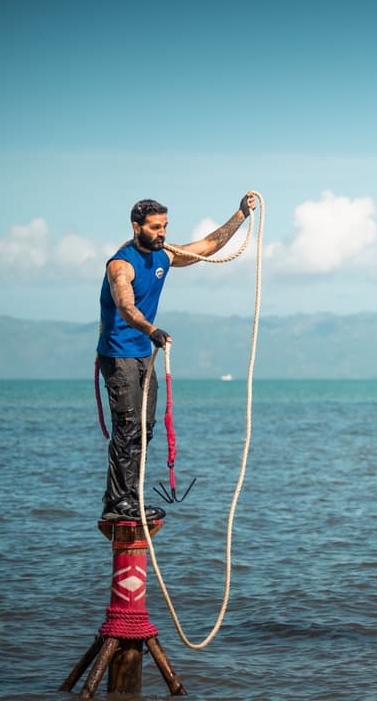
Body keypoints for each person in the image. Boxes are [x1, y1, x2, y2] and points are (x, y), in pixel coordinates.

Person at [97, 194, 257, 521]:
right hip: (119, 354)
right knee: (126, 427)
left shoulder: (165, 256)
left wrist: (240, 214)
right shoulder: (120, 264)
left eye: (165, 227)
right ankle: (116, 503)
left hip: (145, 354)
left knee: (146, 429)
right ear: (136, 226)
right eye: (155, 227)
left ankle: (132, 500)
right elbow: (126, 306)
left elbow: (208, 246)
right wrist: (150, 328)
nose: (162, 233)